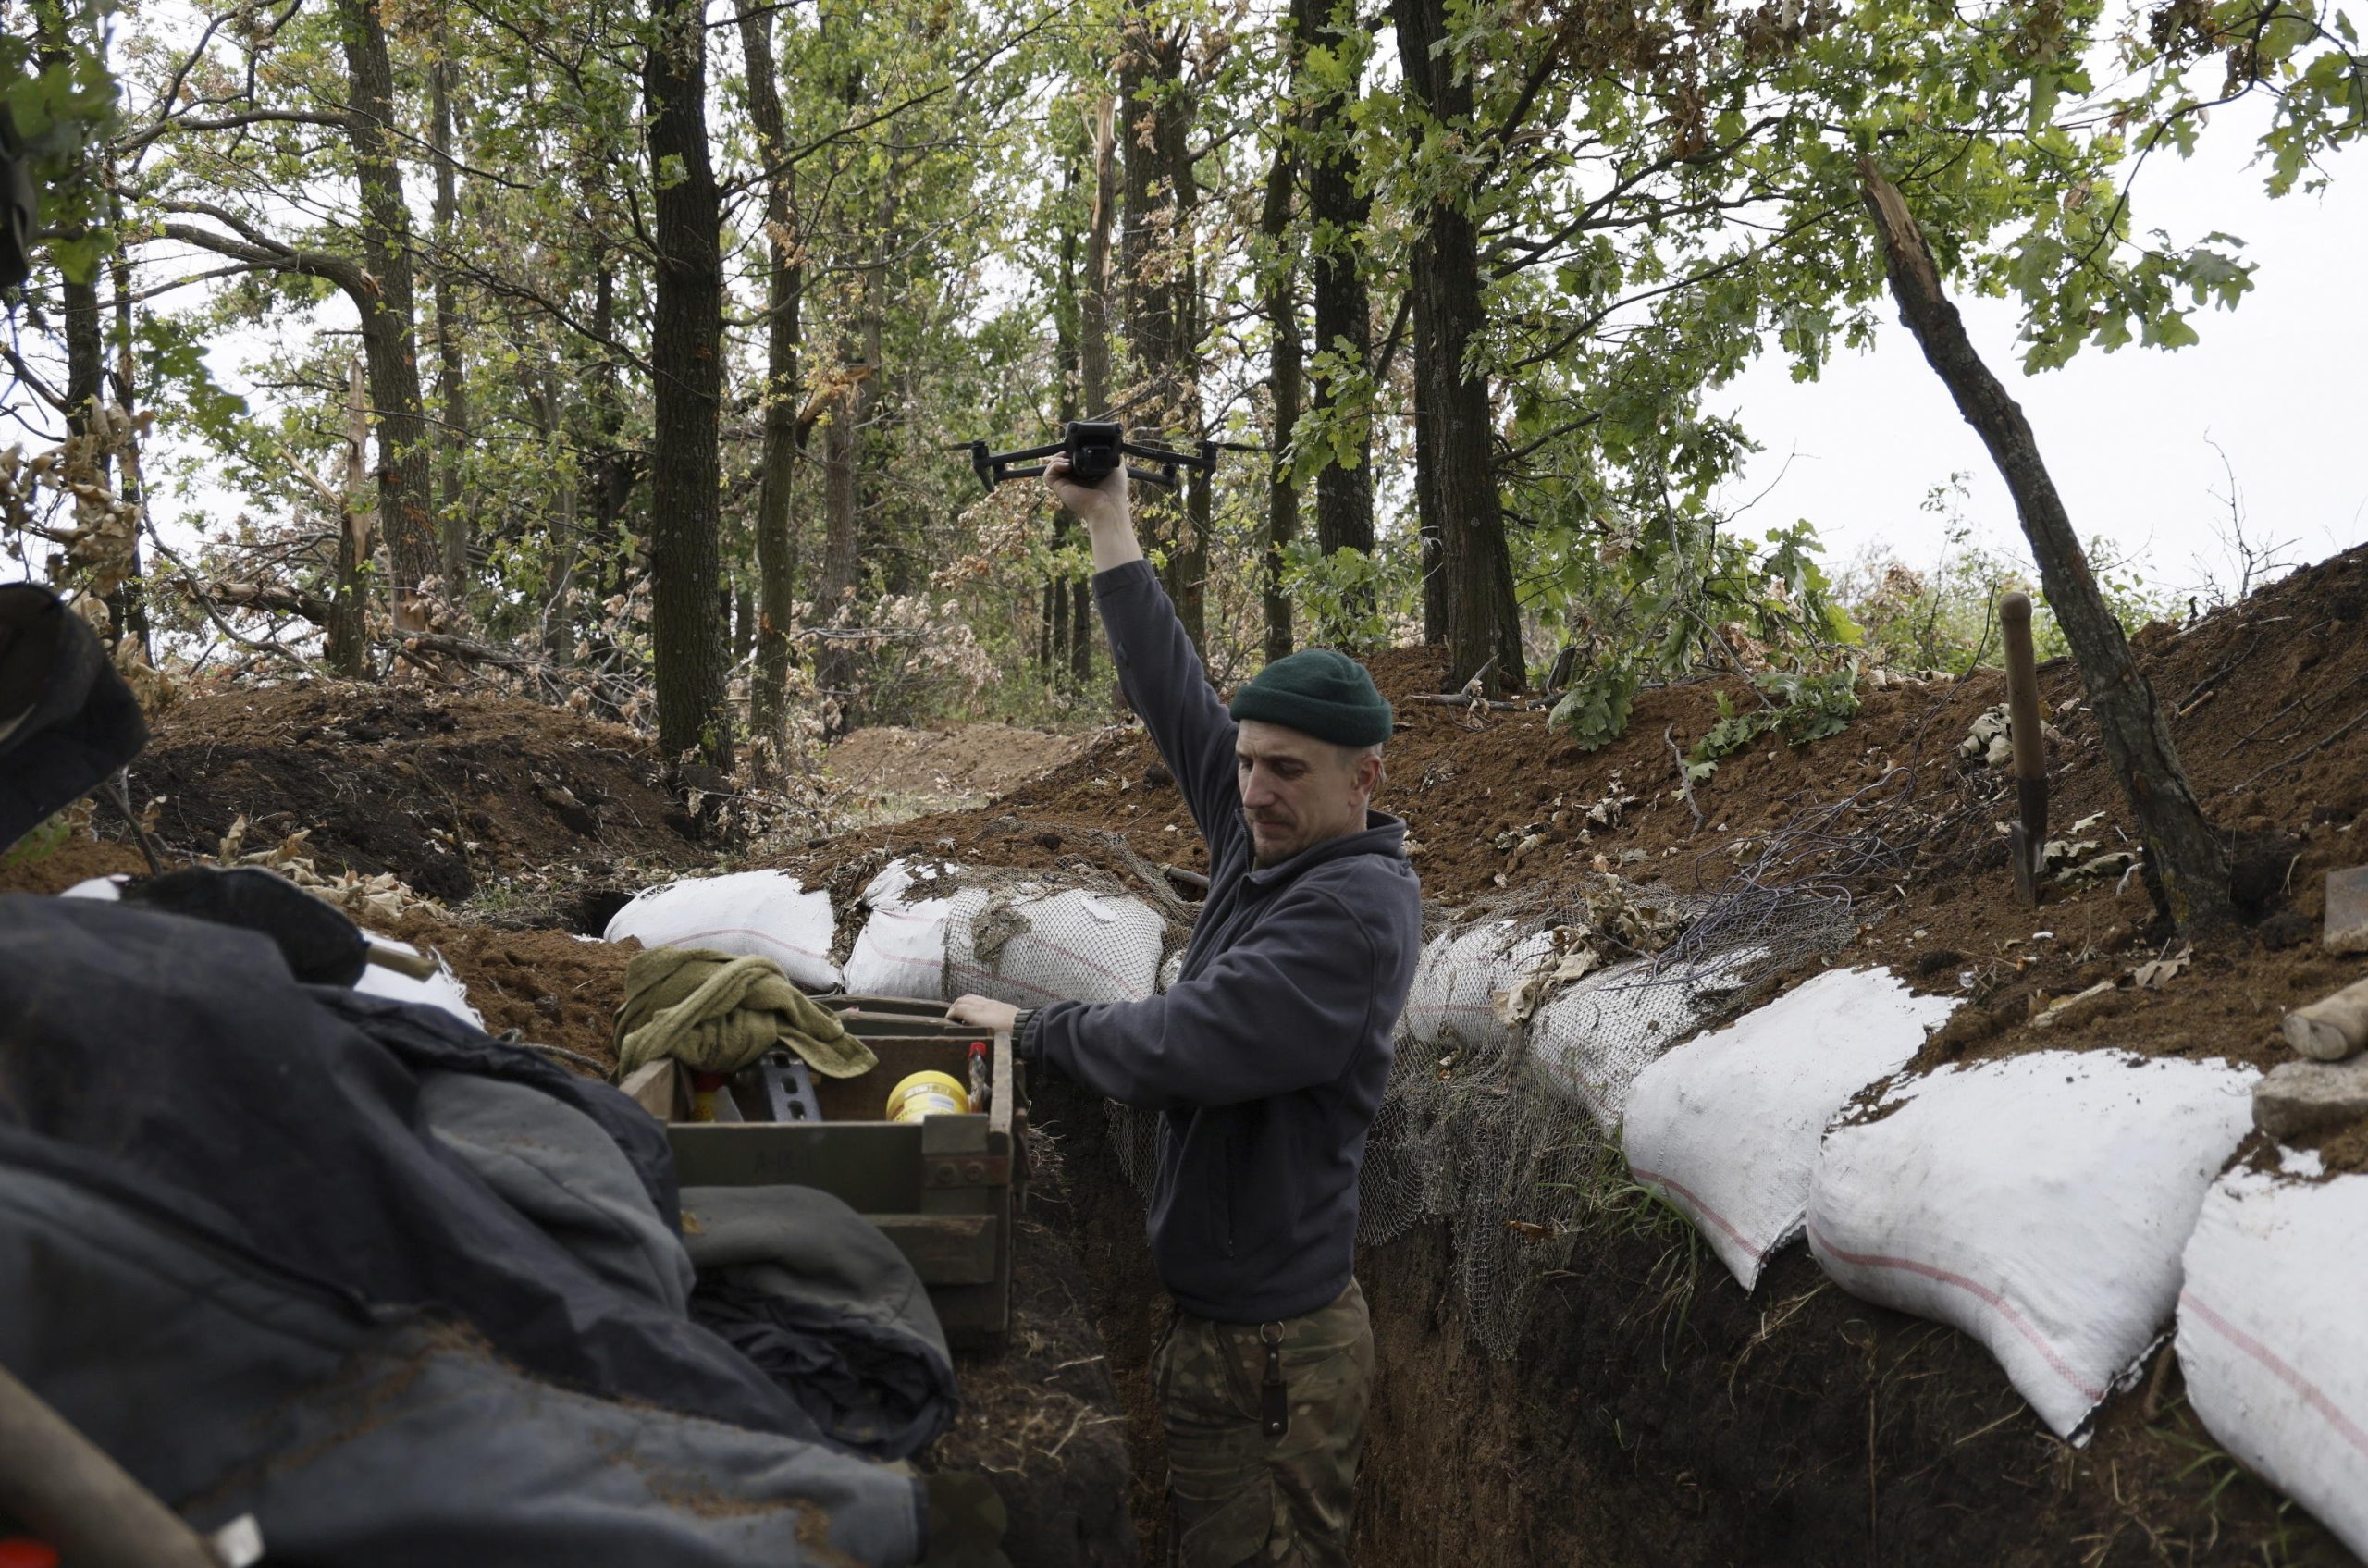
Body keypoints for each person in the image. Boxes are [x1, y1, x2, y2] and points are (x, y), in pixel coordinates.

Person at [947, 453, 1422, 1566]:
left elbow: (1185, 1047)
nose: (1253, 788)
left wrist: (1030, 1031)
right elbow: (1173, 693)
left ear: (1366, 782)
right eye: (1247, 762)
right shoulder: (1270, 838)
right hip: (1225, 1331)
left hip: (1275, 1357)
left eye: (1286, 771)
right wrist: (1109, 524)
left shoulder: (1348, 915)